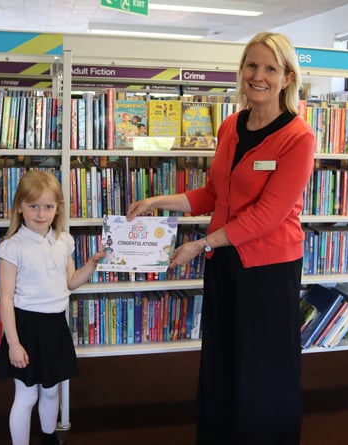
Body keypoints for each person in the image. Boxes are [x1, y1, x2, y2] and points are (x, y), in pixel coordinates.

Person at [127, 32, 315, 444]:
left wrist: (203, 243)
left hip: (268, 267)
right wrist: (156, 201)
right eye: (252, 66)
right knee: (223, 355)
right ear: (242, 71)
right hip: (225, 259)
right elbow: (213, 194)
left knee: (262, 365)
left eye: (270, 68)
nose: (258, 76)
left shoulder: (298, 138)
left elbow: (269, 215)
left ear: (287, 77)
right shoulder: (231, 125)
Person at [0, 170, 105, 445]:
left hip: (55, 325)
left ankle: (48, 437)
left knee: (52, 390)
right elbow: (6, 299)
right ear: (20, 206)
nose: (41, 214)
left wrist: (91, 264)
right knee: (27, 395)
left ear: (57, 209)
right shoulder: (12, 246)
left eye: (48, 206)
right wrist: (14, 343)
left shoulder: (63, 240)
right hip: (26, 328)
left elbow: (71, 282)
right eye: (33, 206)